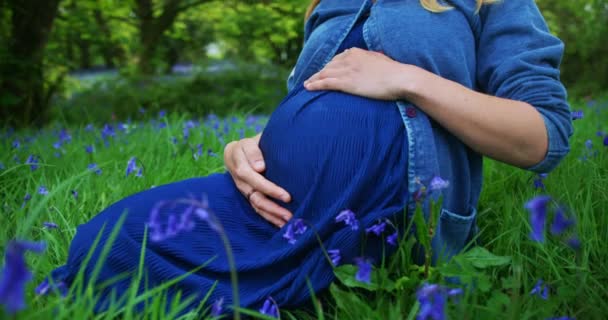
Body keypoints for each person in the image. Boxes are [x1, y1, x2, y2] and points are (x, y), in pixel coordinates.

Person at [40, 0, 573, 316]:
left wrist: (407, 80)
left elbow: (544, 137)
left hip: (389, 204)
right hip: (276, 199)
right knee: (102, 243)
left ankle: (290, 285)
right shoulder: (326, 3)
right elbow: (309, 97)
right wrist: (248, 149)